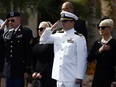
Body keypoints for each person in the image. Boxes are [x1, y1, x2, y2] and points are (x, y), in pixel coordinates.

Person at [40, 11, 87, 87]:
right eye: (62, 21)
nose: (63, 23)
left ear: (72, 22)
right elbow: (43, 40)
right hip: (59, 76)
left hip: (71, 77)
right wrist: (51, 29)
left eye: (65, 21)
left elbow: (82, 58)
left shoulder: (79, 37)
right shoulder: (58, 35)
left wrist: (80, 76)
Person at [1, 12, 33, 87]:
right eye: (8, 21)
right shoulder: (7, 33)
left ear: (19, 20)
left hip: (19, 70)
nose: (10, 22)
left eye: (12, 20)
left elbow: (28, 51)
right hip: (8, 70)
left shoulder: (26, 32)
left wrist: (27, 70)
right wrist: (1, 29)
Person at [87, 17, 116, 87]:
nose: (100, 29)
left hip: (110, 78)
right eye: (99, 27)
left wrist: (115, 80)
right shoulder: (97, 43)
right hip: (97, 77)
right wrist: (100, 50)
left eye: (103, 27)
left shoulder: (114, 43)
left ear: (109, 28)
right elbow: (89, 59)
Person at [31, 21, 56, 87]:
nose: (39, 31)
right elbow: (33, 59)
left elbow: (51, 60)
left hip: (48, 75)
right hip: (36, 76)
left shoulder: (52, 43)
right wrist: (33, 71)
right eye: (38, 29)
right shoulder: (37, 43)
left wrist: (41, 73)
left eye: (41, 29)